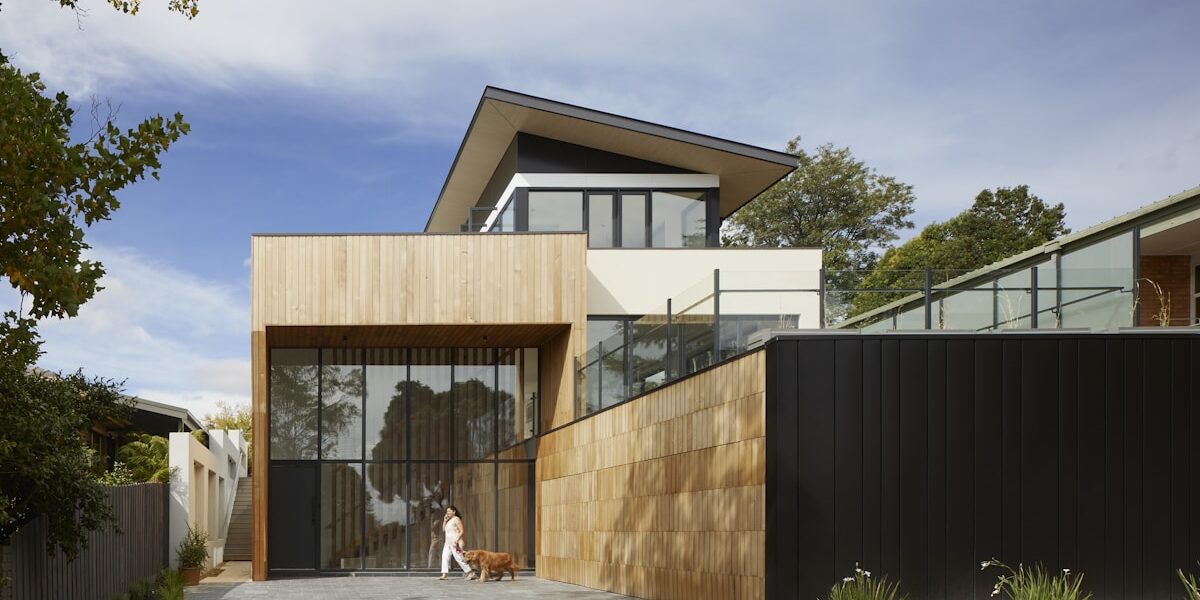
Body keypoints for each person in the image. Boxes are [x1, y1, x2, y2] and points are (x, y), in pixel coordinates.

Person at [438, 505, 474, 580]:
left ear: (454, 512)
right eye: (447, 511)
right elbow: (443, 530)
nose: (447, 512)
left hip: (455, 543)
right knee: (444, 558)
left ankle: (470, 573)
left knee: (459, 558)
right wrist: (444, 520)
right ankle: (444, 575)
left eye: (449, 511)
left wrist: (457, 540)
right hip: (447, 543)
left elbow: (462, 531)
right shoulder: (448, 520)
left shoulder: (456, 519)